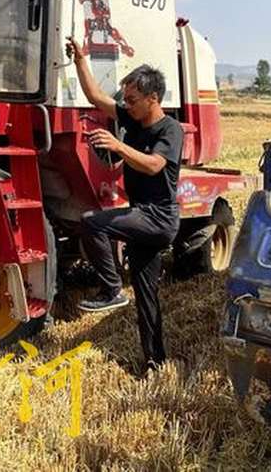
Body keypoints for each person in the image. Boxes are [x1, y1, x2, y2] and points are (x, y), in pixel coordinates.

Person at [65, 36, 183, 369]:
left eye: (132, 100)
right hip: (141, 216)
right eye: (126, 100)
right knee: (147, 297)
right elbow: (95, 97)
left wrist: (118, 147)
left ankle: (112, 290)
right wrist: (80, 59)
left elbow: (154, 165)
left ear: (153, 98)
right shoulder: (133, 119)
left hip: (159, 218)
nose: (126, 106)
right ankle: (155, 362)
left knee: (92, 221)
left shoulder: (169, 130)